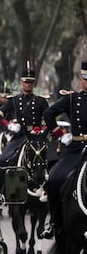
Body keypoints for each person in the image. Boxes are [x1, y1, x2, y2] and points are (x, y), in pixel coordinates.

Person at [41, 61, 87, 239]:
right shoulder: (72, 99)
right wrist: (60, 134)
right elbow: (48, 114)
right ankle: (54, 223)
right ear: (81, 80)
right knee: (54, 179)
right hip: (76, 149)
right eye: (85, 79)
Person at [0, 66, 49, 166]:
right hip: (21, 135)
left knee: (51, 160)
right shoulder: (15, 100)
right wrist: (9, 125)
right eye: (26, 82)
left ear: (34, 84)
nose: (28, 85)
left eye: (31, 82)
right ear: (22, 83)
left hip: (37, 137)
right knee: (2, 160)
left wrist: (42, 130)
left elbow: (49, 118)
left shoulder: (41, 101)